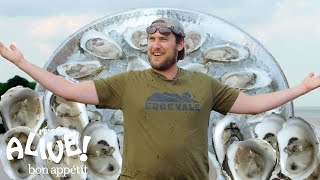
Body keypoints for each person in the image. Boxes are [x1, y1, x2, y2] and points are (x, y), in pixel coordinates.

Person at [1, 17, 320, 180]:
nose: (155, 44)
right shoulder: (128, 82)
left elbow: (253, 105)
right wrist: (23, 64)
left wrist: (302, 89)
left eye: (163, 39)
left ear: (180, 45)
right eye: (151, 39)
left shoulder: (203, 84)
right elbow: (70, 90)